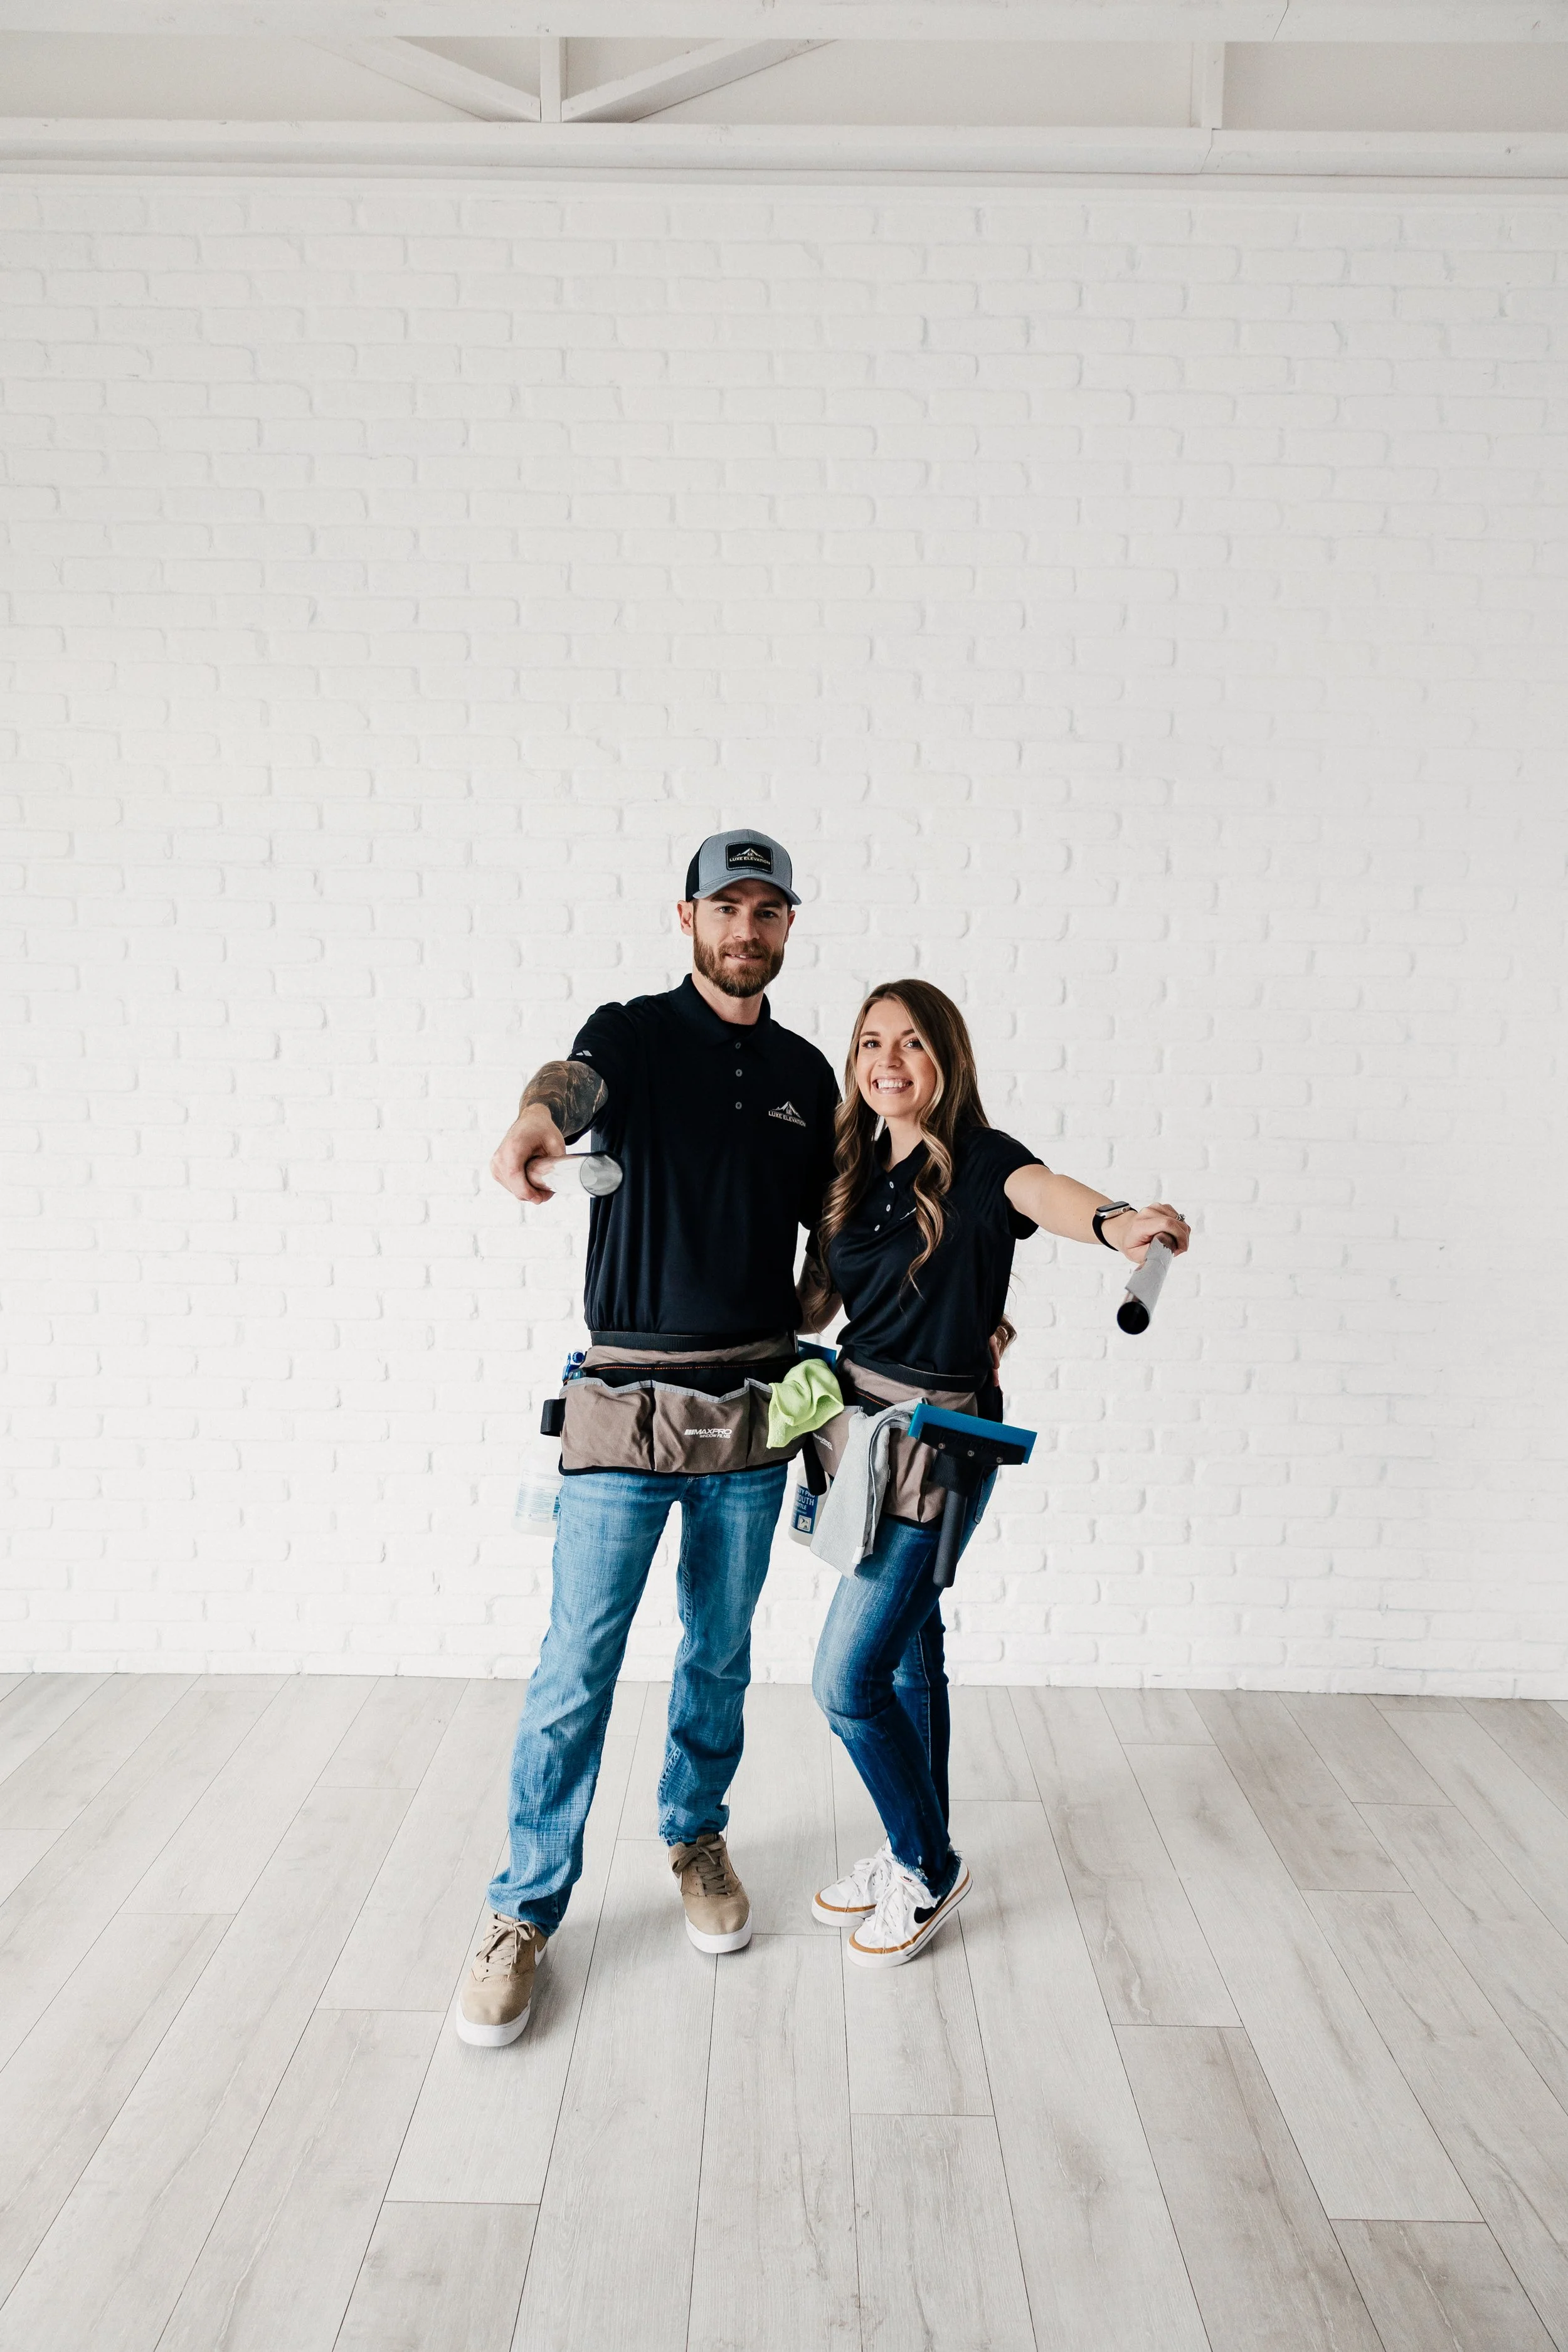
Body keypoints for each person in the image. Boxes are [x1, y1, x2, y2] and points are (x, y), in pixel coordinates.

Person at [457, 829, 839, 2047]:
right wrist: (532, 1122)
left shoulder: (806, 1074)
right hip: (623, 1401)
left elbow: (824, 1251)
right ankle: (522, 1911)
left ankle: (695, 1836)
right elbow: (569, 1085)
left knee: (718, 1652)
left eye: (765, 911)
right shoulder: (628, 1031)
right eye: (725, 907)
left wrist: (864, 1304)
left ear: (786, 927)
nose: (745, 928)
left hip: (750, 1410)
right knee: (577, 1667)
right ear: (686, 920)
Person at [800, 979, 1190, 1969]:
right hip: (857, 1431)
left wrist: (1120, 1222)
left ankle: (926, 1864)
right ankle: (912, 1850)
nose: (889, 1060)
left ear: (948, 1059)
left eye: (913, 1044)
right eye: (872, 1043)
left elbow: (1047, 1194)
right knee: (905, 1654)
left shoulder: (980, 1160)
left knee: (846, 1682)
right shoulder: (848, 1166)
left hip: (946, 1437)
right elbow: (813, 1306)